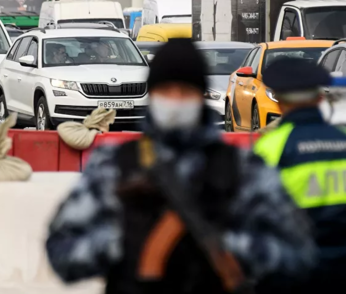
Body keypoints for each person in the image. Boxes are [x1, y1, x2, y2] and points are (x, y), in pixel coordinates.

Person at [46, 39, 316, 294]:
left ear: (200, 96)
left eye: (185, 91)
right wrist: (123, 242)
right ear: (152, 95)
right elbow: (61, 251)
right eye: (166, 90)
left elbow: (300, 253)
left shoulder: (242, 168)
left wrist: (229, 248)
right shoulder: (114, 165)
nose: (175, 99)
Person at [255, 58, 346, 294]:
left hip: (288, 278)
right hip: (345, 277)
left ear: (279, 102)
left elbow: (251, 219)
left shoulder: (269, 150)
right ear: (320, 98)